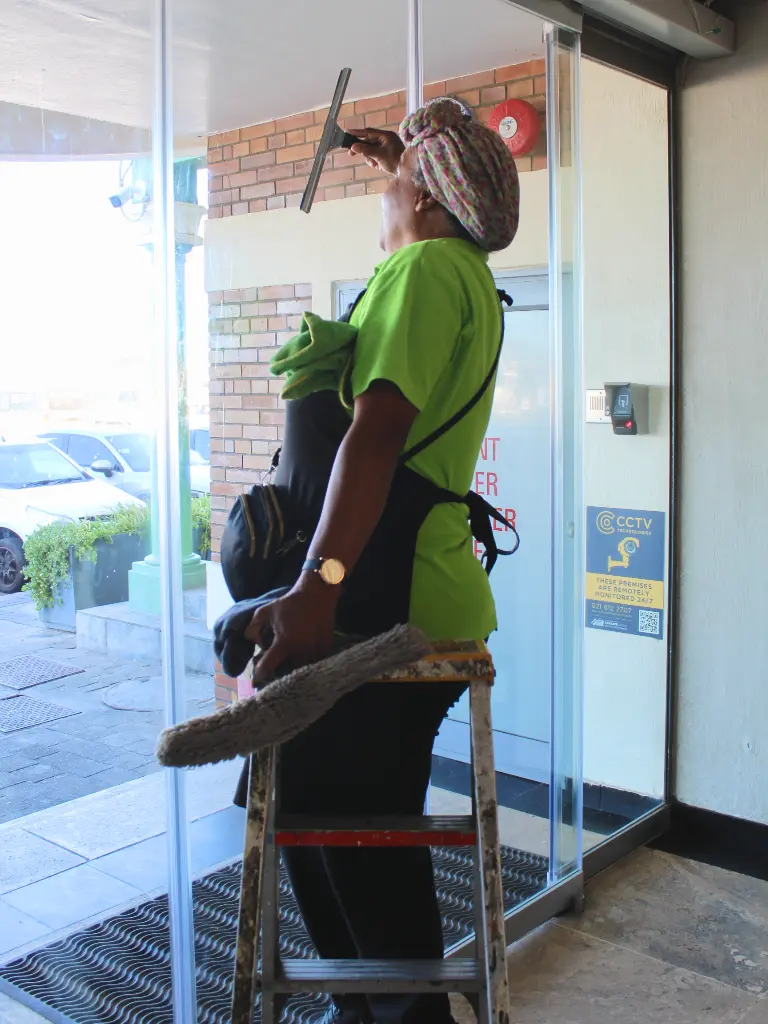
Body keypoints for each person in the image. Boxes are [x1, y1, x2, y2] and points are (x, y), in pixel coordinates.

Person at [245, 97, 519, 1024]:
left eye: (400, 182)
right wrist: (398, 156)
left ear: (431, 205)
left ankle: (400, 1012)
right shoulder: (467, 273)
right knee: (348, 817)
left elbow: (375, 435)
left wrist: (316, 591)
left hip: (381, 602)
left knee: (344, 827)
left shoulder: (424, 269)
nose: (388, 195)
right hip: (422, 590)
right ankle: (369, 1008)